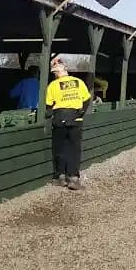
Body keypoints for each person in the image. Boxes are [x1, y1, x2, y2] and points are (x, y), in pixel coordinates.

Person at [45, 57, 91, 190]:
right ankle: (73, 179)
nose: (54, 75)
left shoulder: (53, 85)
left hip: (59, 118)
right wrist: (81, 112)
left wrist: (48, 115)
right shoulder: (78, 82)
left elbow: (48, 107)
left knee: (60, 148)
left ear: (56, 73)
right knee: (74, 149)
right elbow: (87, 99)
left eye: (54, 73)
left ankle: (60, 177)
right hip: (76, 119)